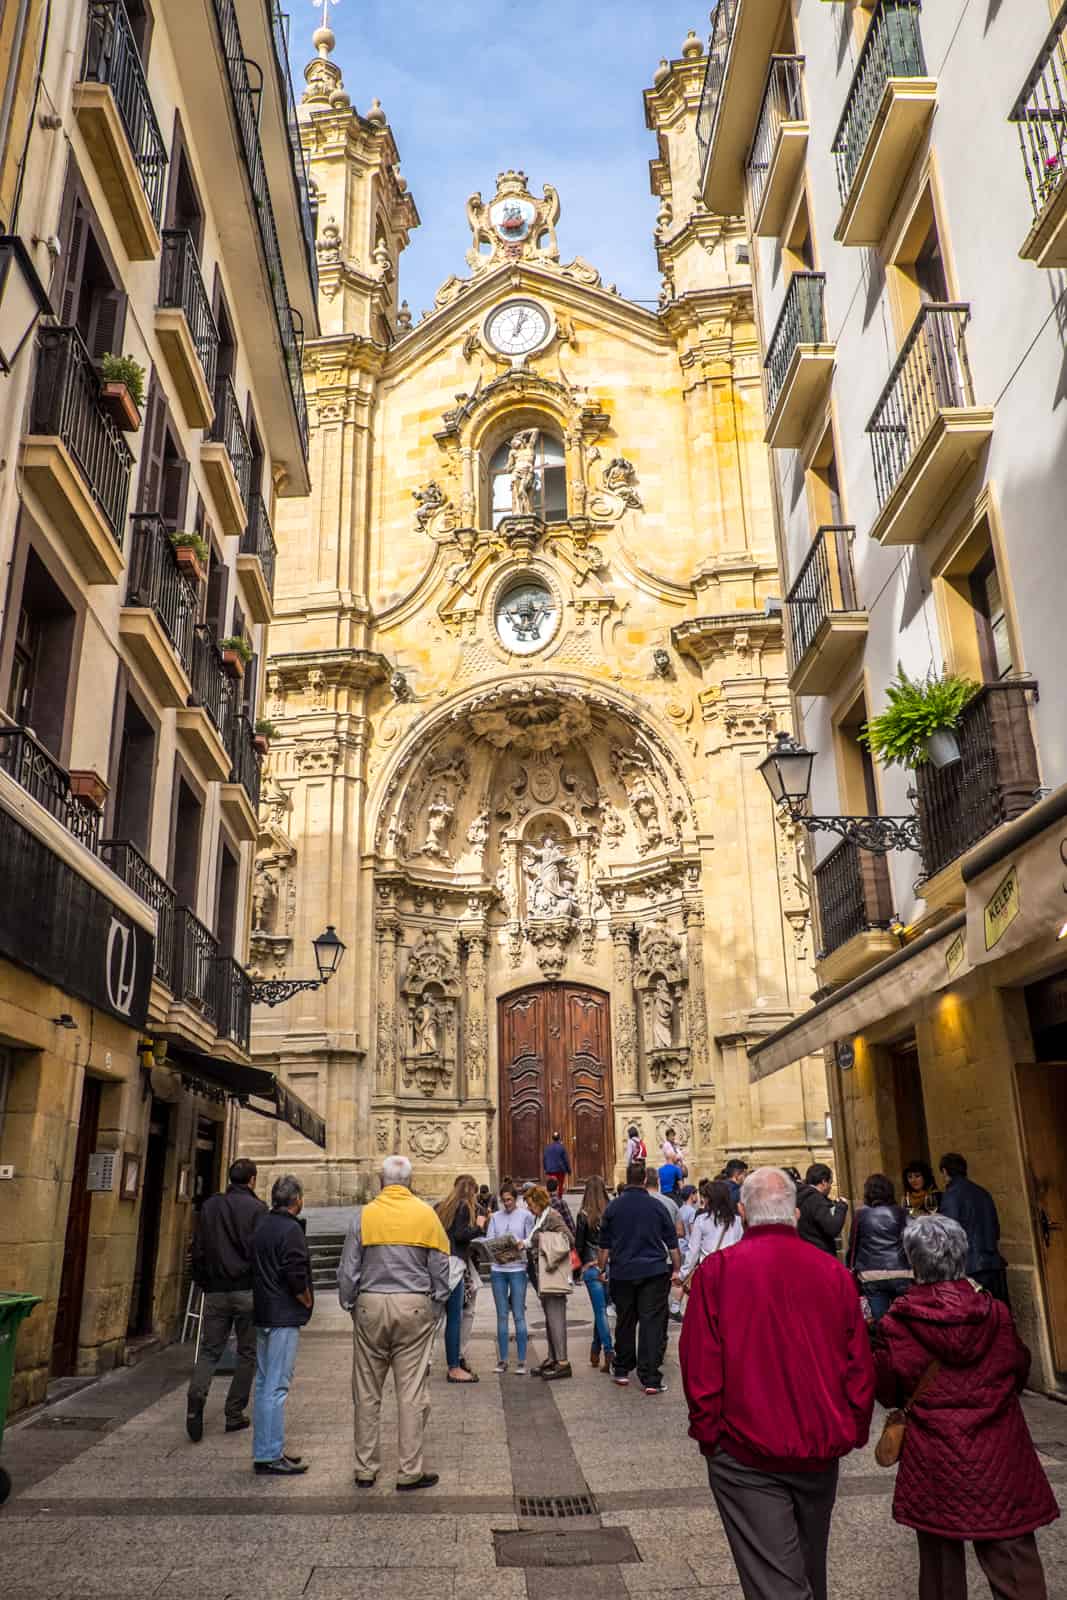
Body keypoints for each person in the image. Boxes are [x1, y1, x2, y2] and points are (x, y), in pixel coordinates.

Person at [680, 1168, 875, 1600]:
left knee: (777, 1584)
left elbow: (699, 1366)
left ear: (743, 1213)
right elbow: (859, 1365)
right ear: (796, 1213)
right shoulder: (833, 1273)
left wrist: (710, 1435)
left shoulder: (718, 1273)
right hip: (820, 1449)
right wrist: (851, 1429)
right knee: (807, 1570)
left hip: (744, 1451)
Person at [872, 1215, 1058, 1600]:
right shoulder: (996, 1313)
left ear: (914, 1261)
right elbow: (1018, 1370)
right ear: (963, 1256)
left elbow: (888, 1389)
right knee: (1013, 1555)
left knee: (941, 1564)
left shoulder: (898, 1321)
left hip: (934, 1455)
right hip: (1000, 1451)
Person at [337, 1155, 451, 1491]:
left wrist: (350, 1302)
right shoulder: (425, 1214)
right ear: (410, 1181)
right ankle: (409, 1470)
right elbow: (440, 1267)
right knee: (411, 1390)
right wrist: (437, 1302)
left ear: (381, 1181)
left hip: (371, 1303)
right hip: (413, 1305)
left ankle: (365, 1468)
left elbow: (348, 1268)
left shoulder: (365, 1215)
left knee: (367, 1390)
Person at [186, 1158, 266, 1442]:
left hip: (216, 1290)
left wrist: (203, 1282)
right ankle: (234, 1413)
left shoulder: (210, 1206)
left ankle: (195, 1400)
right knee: (247, 1353)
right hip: (246, 1291)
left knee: (209, 1351)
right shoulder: (258, 1209)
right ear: (253, 1180)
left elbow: (198, 1248)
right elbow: (261, 1254)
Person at [598, 1160, 681, 1395]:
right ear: (645, 1180)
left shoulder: (613, 1207)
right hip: (654, 1272)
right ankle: (650, 1378)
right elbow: (672, 1244)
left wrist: (602, 1269)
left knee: (625, 1320)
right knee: (651, 1323)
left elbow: (604, 1246)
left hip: (623, 1272)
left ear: (626, 1179)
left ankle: (622, 1369)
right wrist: (676, 1270)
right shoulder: (657, 1207)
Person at [250, 1175, 314, 1476]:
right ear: (296, 1199)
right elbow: (294, 1271)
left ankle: (266, 1449)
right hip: (282, 1316)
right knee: (276, 1386)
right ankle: (270, 1455)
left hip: (263, 1312)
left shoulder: (261, 1225)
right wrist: (305, 1299)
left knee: (264, 1384)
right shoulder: (291, 1230)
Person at [435, 1174, 486, 1383]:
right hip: (455, 1264)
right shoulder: (464, 1206)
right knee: (454, 1317)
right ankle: (454, 1367)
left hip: (440, 1263)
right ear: (472, 1190)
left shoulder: (441, 1206)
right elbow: (461, 1235)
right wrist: (480, 1227)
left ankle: (429, 1362)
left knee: (438, 1316)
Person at [939, 1153, 1009, 1302]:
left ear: (945, 1171)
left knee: (978, 1315)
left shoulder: (951, 1195)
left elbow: (948, 1232)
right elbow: (996, 1228)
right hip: (993, 1262)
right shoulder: (983, 1192)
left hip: (970, 1266)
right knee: (998, 1312)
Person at [485, 1182, 535, 1374]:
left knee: (519, 1314)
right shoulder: (496, 1217)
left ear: (516, 1199)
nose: (507, 1204)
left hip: (517, 1269)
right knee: (502, 1315)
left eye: (510, 1200)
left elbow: (531, 1239)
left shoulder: (525, 1216)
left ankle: (522, 1360)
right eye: (504, 1200)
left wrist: (522, 1244)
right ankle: (503, 1360)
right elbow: (490, 1240)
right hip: (498, 1269)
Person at [847, 1173, 911, 1322]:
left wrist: (852, 1269)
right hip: (902, 1271)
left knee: (881, 1323)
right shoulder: (902, 1213)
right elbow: (912, 1240)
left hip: (871, 1274)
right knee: (905, 1322)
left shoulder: (860, 1214)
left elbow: (853, 1245)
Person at [526, 1185, 573, 1379]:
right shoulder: (540, 1217)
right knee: (549, 1318)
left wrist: (538, 1240)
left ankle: (562, 1362)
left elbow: (568, 1238)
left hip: (553, 1275)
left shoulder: (552, 1216)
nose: (528, 1208)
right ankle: (553, 1357)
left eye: (530, 1204)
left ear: (539, 1201)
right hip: (543, 1275)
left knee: (556, 1317)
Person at [574, 1176, 614, 1373]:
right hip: (610, 1266)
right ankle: (595, 1349)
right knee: (602, 1310)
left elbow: (579, 1246)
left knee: (600, 1311)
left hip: (591, 1267)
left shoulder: (583, 1215)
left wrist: (577, 1270)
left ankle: (608, 1350)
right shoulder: (612, 1212)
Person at [676, 1179, 743, 1295]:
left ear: (710, 1199)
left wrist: (682, 1275)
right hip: (733, 1272)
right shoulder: (737, 1221)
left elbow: (693, 1251)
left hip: (709, 1273)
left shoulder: (702, 1220)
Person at [796, 1163, 849, 1258]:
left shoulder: (799, 1197)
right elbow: (833, 1228)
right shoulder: (816, 1199)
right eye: (830, 1183)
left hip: (804, 1253)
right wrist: (842, 1206)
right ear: (824, 1182)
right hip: (820, 1255)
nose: (830, 1187)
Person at [543, 1130, 571, 1197]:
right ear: (559, 1138)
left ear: (552, 1138)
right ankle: (559, 1198)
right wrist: (568, 1170)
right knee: (560, 1185)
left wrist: (545, 1168)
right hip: (560, 1170)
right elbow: (565, 1160)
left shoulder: (547, 1148)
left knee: (550, 1184)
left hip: (550, 1170)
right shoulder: (562, 1147)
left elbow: (544, 1159)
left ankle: (550, 1198)